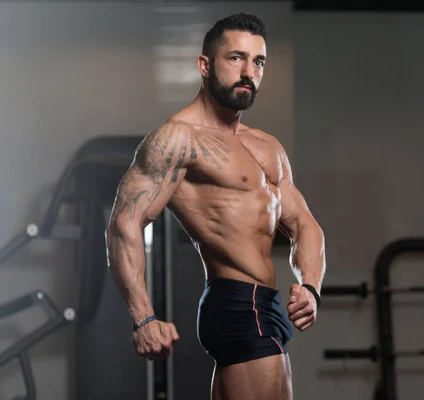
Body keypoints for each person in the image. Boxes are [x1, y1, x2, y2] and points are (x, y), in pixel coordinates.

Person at [104, 12, 326, 400]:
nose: (248, 71)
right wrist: (143, 317)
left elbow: (305, 224)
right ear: (204, 65)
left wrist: (310, 286)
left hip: (264, 305)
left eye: (258, 62)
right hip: (237, 303)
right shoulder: (177, 140)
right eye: (235, 58)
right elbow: (124, 224)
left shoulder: (267, 146)